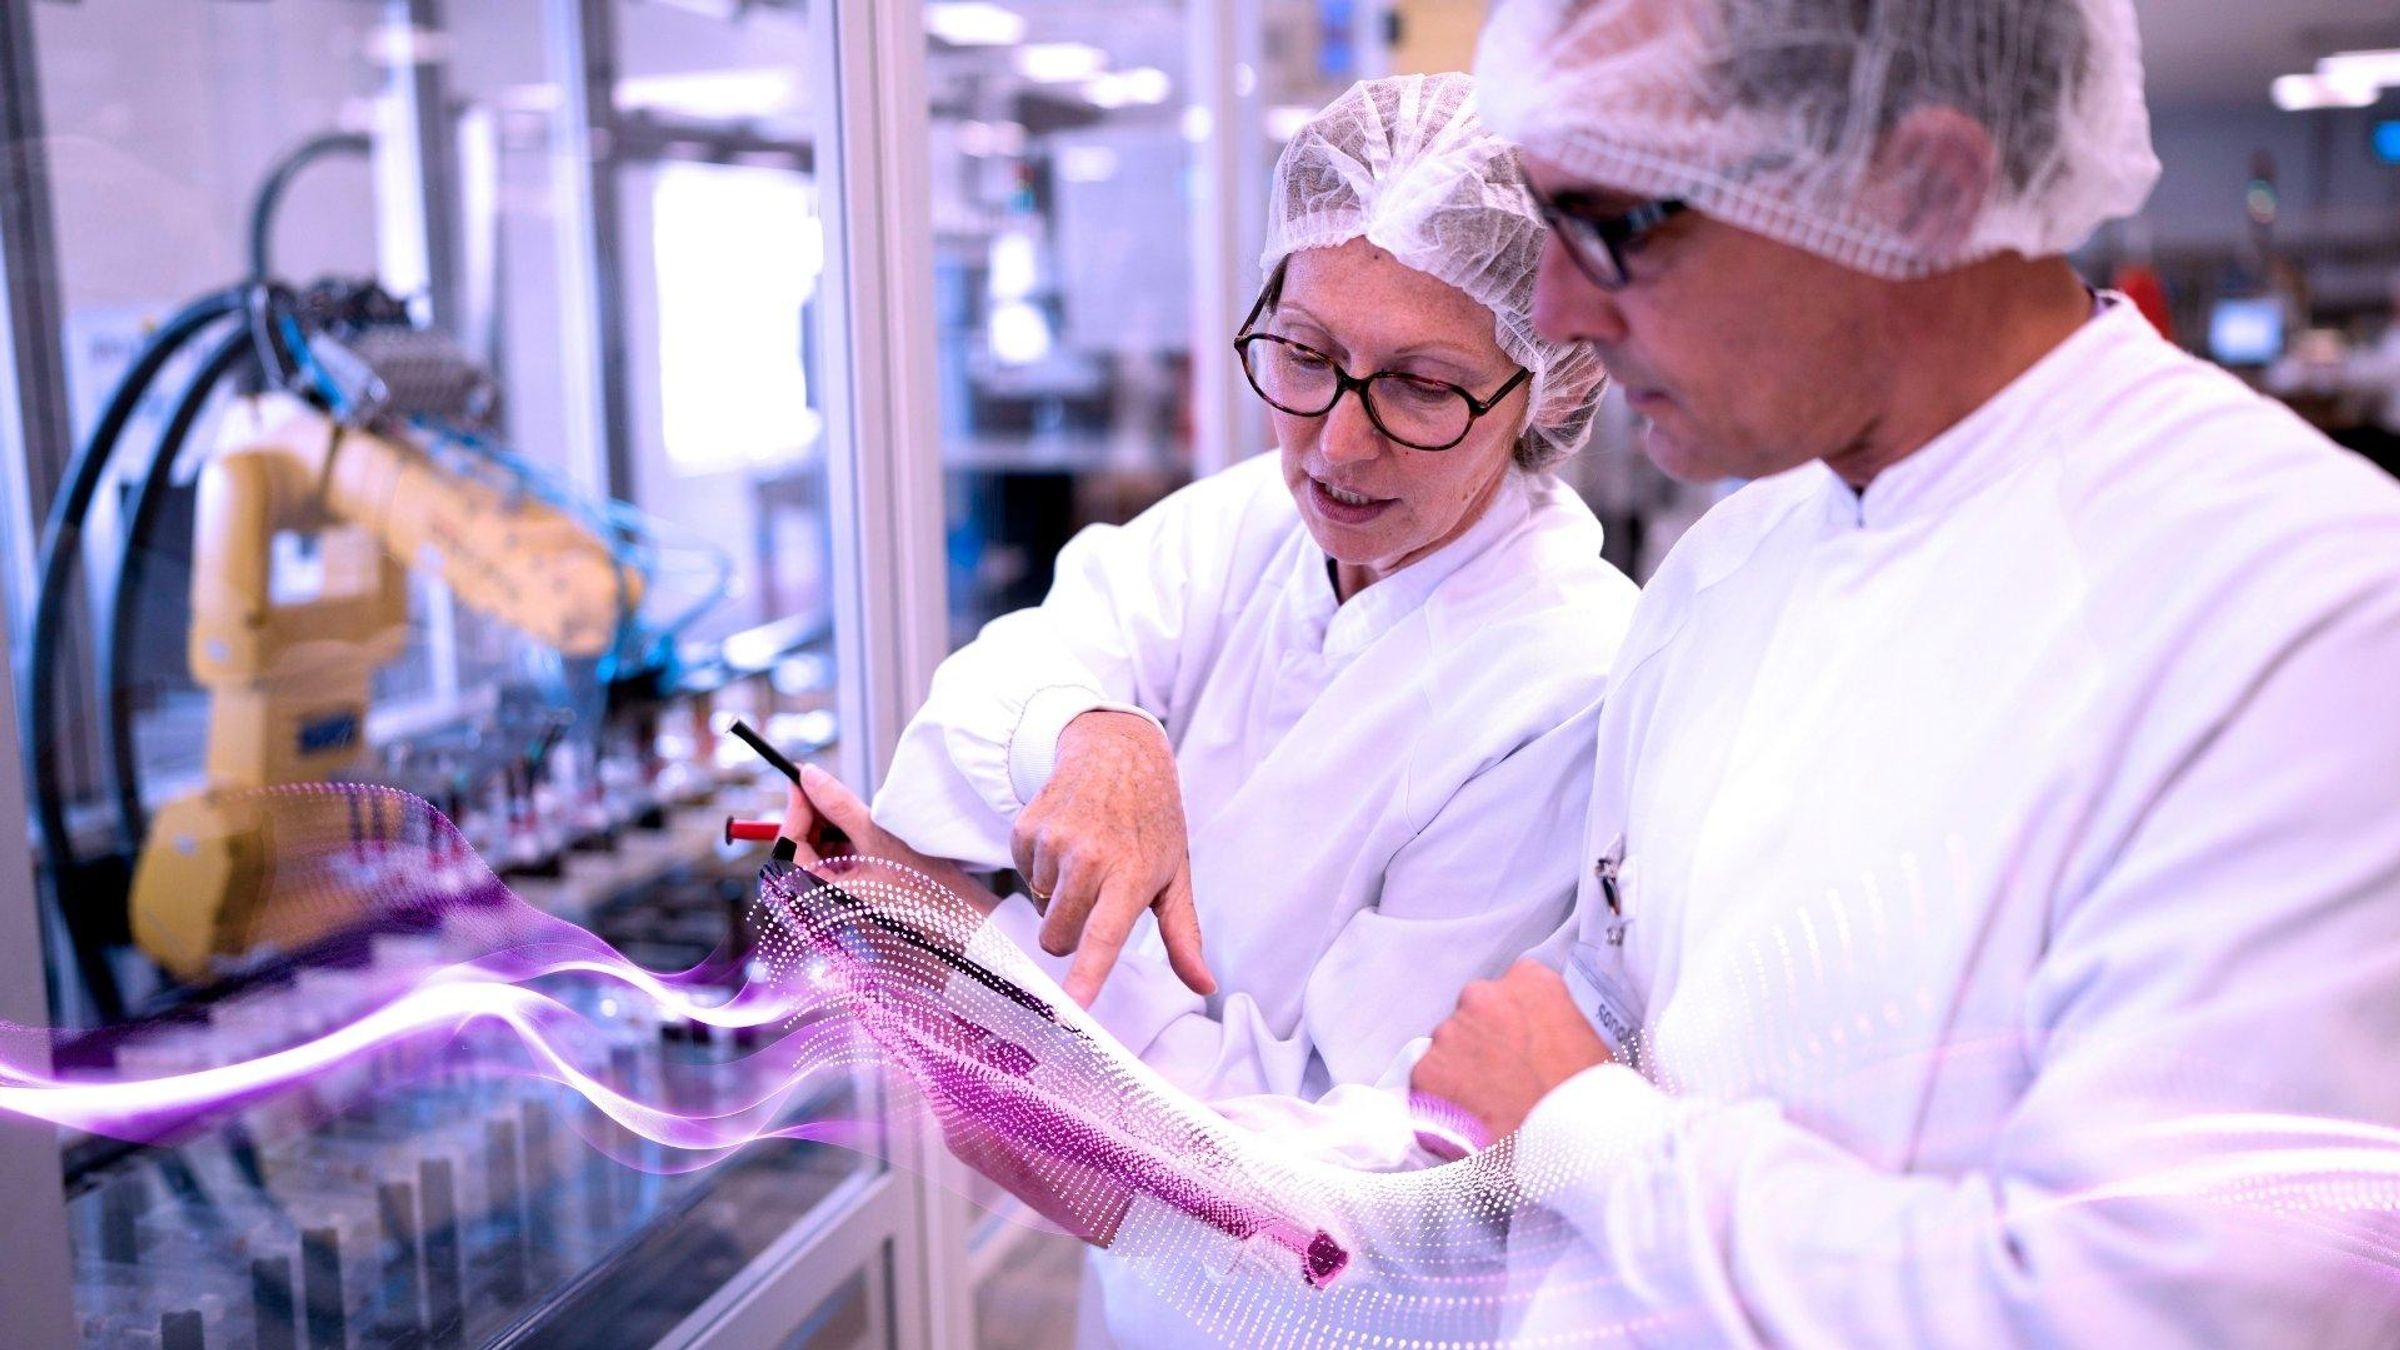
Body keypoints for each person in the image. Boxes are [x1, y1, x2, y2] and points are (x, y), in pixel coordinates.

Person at [1386, 0, 2400, 1343]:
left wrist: (1587, 1134)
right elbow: (1614, 1010)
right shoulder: (1724, 567)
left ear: (1924, 187)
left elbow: (2148, 1307)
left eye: (1618, 225)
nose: (1556, 311)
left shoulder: (2296, 605)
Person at [825, 69, 1636, 1142]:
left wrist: (979, 952)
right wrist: (1091, 737)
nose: (1340, 444)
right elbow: (997, 683)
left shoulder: (1564, 684)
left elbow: (1341, 1138)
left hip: (1285, 1302)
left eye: (1423, 386)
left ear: (1550, 383)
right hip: (1122, 1284)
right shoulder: (1254, 522)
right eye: (1305, 354)